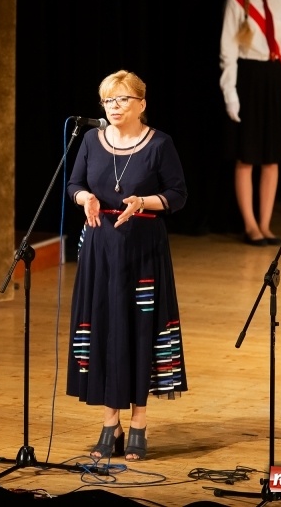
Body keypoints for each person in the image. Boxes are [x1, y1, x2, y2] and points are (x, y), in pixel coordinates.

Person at [66, 70, 188, 462]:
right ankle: (110, 422)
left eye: (122, 100)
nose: (114, 107)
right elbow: (73, 184)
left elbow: (178, 195)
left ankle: (138, 422)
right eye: (108, 101)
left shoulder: (160, 144)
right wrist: (85, 198)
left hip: (142, 249)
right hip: (100, 247)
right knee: (105, 327)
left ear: (141, 104)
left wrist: (142, 202)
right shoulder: (91, 140)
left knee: (138, 330)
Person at [219, 0, 281, 246]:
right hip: (249, 79)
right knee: (247, 156)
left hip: (276, 77)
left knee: (272, 157)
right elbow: (228, 52)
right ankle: (250, 225)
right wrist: (230, 93)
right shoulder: (236, 1)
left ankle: (265, 224)